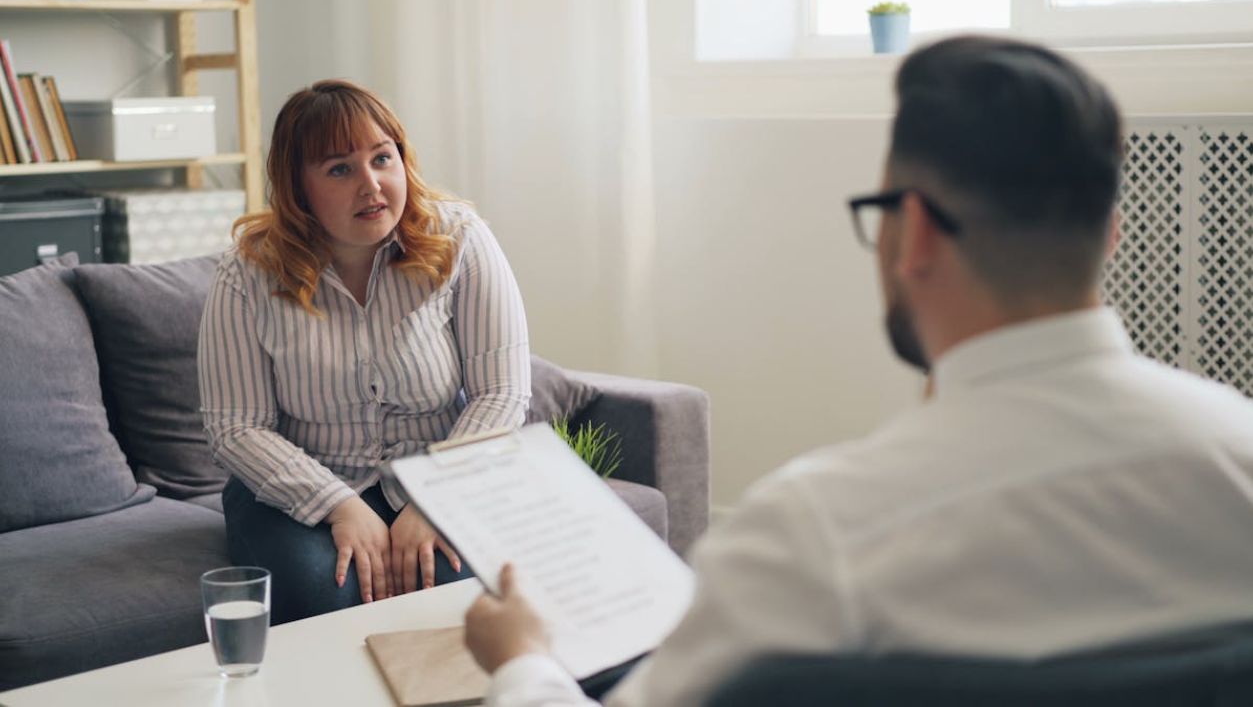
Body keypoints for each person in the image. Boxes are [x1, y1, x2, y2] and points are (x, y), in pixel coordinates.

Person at [460, 36, 1253, 705]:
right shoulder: (1237, 454)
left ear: (911, 234)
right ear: (1112, 232)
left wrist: (523, 657)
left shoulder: (814, 535)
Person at [198, 79, 531, 624]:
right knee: (326, 593)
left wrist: (436, 499)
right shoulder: (247, 274)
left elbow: (502, 393)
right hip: (300, 489)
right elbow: (236, 427)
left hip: (437, 475)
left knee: (448, 585)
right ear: (297, 189)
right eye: (339, 169)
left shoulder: (460, 240)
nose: (371, 184)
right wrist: (339, 505)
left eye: (383, 158)